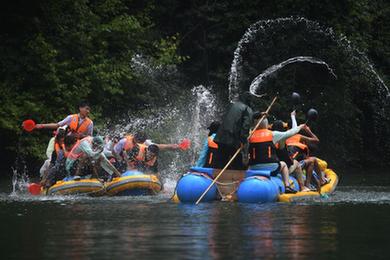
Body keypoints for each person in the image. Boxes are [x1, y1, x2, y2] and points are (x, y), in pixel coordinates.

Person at [248, 113, 305, 193]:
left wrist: (258, 115)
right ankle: (287, 186)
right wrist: (300, 127)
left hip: (253, 168)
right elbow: (291, 133)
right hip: (271, 168)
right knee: (283, 164)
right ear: (266, 124)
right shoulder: (273, 134)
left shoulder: (250, 136)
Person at [213, 92, 253, 169]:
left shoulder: (233, 105)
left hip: (220, 137)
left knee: (221, 161)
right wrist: (243, 141)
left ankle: (217, 177)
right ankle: (238, 178)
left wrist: (258, 114)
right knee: (237, 162)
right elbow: (245, 127)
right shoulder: (247, 109)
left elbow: (235, 117)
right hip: (232, 139)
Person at [271, 114, 311, 192]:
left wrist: (293, 117)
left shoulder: (269, 138)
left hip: (272, 166)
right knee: (296, 163)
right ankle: (302, 187)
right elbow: (293, 131)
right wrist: (299, 126)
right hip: (281, 168)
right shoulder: (281, 140)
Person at [286, 123, 326, 190]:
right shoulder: (299, 136)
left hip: (288, 166)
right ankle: (315, 182)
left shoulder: (284, 137)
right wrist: (308, 130)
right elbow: (316, 140)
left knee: (312, 160)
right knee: (313, 160)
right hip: (292, 168)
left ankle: (318, 181)